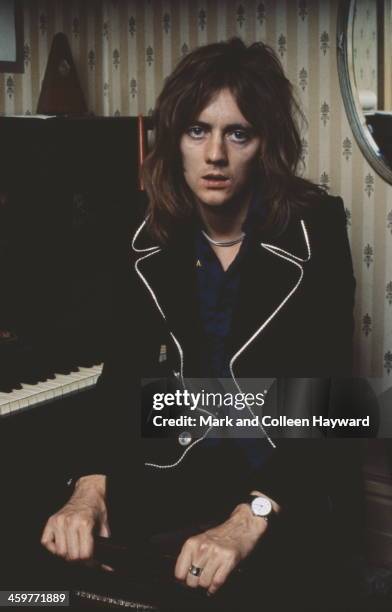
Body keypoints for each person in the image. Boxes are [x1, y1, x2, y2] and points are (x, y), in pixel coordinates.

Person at [41, 38, 361, 609]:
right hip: (173, 474)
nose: (215, 154)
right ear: (175, 142)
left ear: (265, 144)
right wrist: (89, 486)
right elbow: (122, 381)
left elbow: (330, 405)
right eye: (197, 130)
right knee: (45, 559)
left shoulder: (316, 228)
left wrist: (251, 517)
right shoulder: (142, 237)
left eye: (237, 132)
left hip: (283, 483)